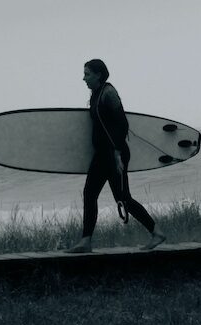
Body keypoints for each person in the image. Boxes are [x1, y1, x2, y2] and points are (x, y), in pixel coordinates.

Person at [66, 59, 166, 253]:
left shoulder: (109, 93)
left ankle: (157, 232)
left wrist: (118, 154)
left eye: (87, 74)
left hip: (114, 155)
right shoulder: (95, 94)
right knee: (89, 193)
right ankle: (86, 240)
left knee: (123, 198)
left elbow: (122, 124)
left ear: (99, 75)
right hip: (101, 155)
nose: (83, 78)